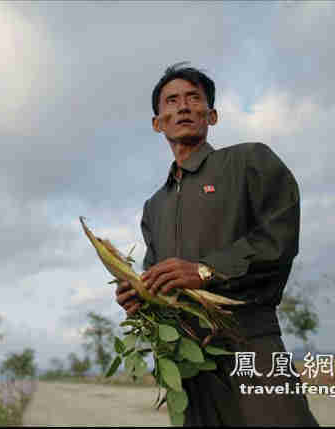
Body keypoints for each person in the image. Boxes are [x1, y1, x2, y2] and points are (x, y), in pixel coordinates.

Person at [115, 62, 319, 426]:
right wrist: (139, 297)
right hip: (188, 359)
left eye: (194, 98)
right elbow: (158, 277)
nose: (183, 106)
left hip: (250, 342)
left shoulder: (248, 162)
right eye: (171, 100)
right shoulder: (154, 206)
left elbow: (280, 236)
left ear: (211, 115)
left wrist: (206, 271)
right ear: (157, 122)